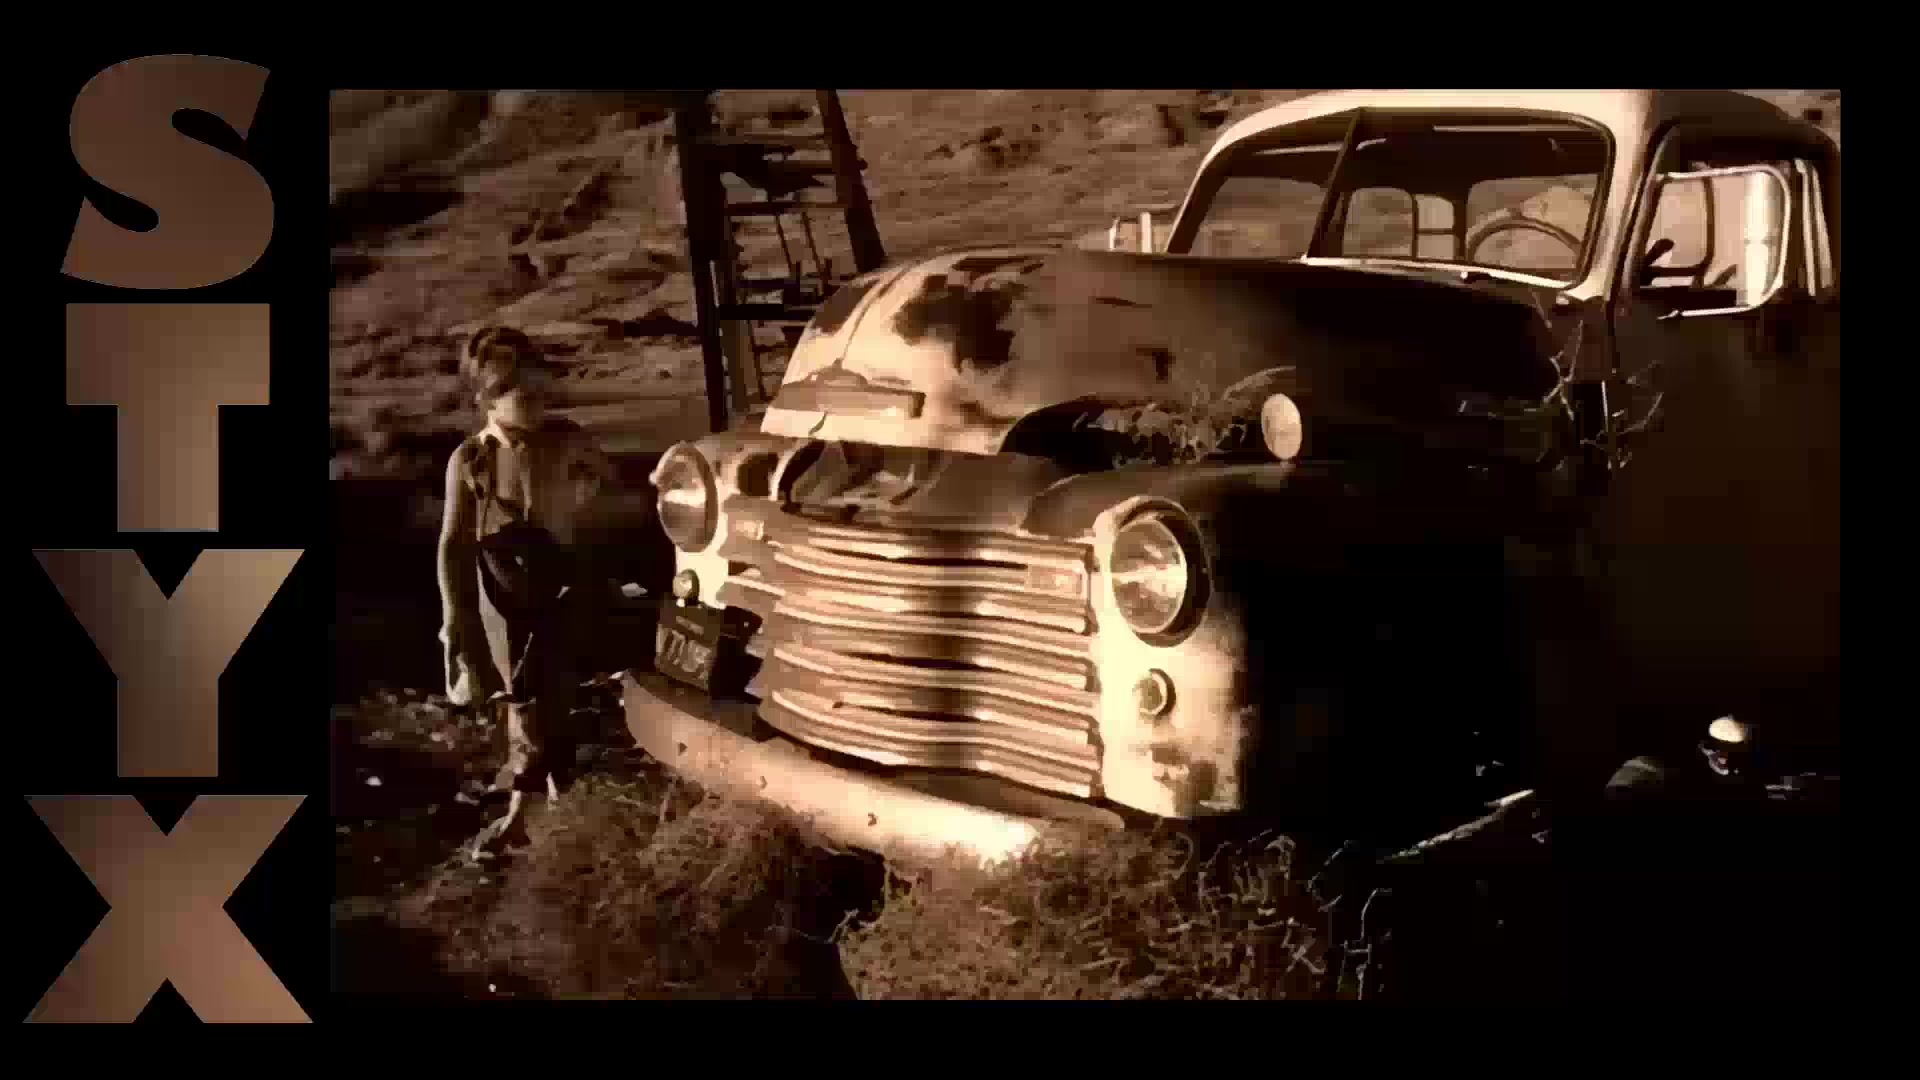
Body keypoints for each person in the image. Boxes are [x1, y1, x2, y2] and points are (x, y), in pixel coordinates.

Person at [438, 326, 614, 861]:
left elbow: (606, 479)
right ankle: (526, 812)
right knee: (524, 702)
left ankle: (548, 801)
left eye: (544, 391)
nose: (540, 403)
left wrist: (589, 483)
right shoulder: (471, 459)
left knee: (553, 695)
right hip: (505, 598)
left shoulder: (565, 439)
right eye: (526, 395)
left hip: (561, 584)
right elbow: (453, 543)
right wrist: (455, 614)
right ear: (486, 400)